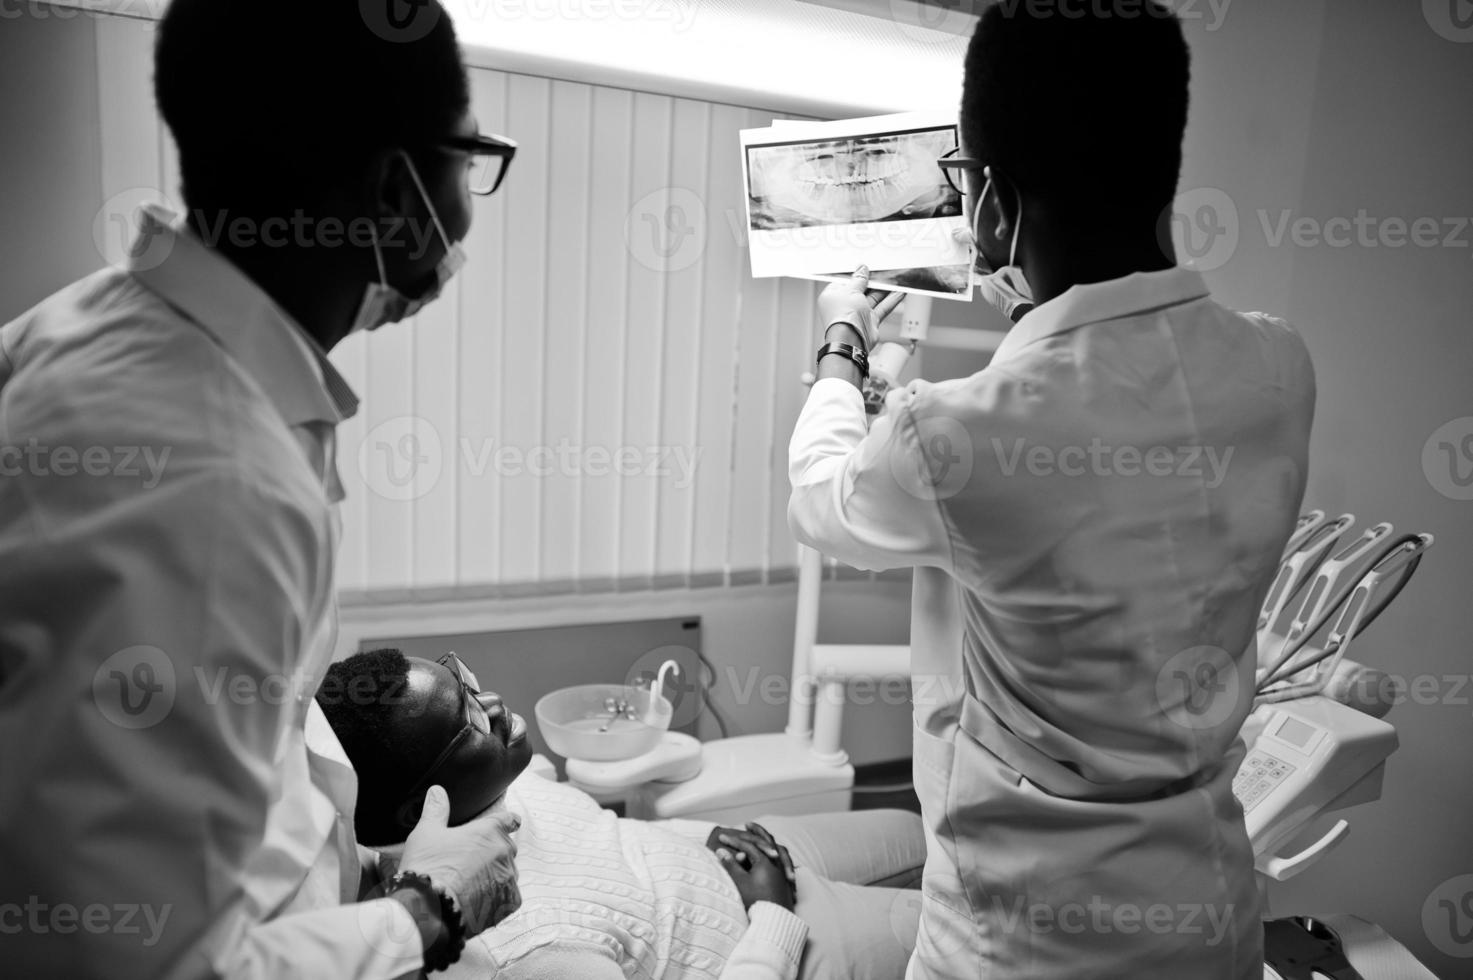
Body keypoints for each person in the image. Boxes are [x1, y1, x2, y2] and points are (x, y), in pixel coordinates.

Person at [788, 4, 1315, 979]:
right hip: (1208, 923)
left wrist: (844, 341)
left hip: (1018, 945)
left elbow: (824, 497)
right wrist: (1033, 297)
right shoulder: (1280, 369)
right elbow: (1113, 402)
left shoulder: (955, 431)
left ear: (989, 205)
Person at [0, 1, 524, 976]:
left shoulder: (73, 333)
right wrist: (430, 905)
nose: (468, 198)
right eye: (468, 155)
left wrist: (357, 872)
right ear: (393, 189)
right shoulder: (212, 482)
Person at [316, 648, 930, 980]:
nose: (495, 703)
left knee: (917, 834)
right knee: (977, 925)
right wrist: (769, 911)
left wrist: (698, 839)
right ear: (420, 810)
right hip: (771, 938)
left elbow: (608, 839)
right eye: (470, 720)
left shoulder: (485, 792)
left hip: (726, 854)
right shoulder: (527, 957)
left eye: (463, 679)